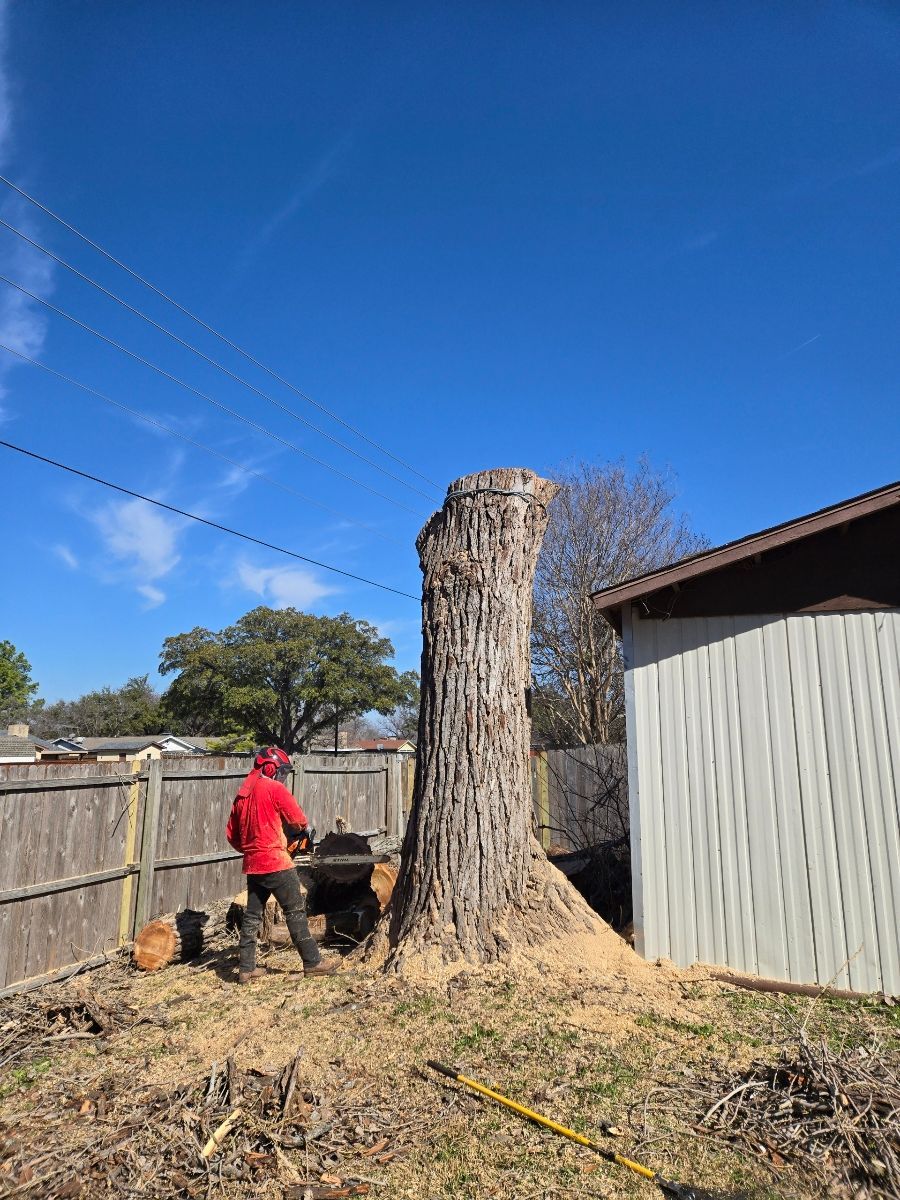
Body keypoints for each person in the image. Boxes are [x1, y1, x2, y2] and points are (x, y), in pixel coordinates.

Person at [226, 746, 337, 984]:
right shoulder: (275, 788)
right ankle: (313, 962)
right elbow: (298, 820)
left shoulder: (242, 794)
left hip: (253, 865)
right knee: (295, 911)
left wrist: (250, 850)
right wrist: (302, 831)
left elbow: (232, 835)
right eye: (282, 771)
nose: (283, 777)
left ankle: (246, 968)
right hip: (276, 862)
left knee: (252, 917)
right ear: (270, 768)